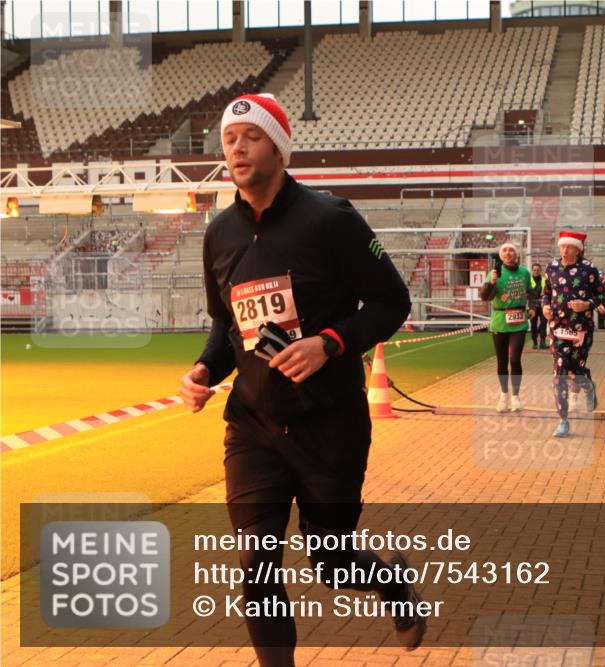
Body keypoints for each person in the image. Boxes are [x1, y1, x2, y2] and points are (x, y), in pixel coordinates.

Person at [178, 93, 424, 666]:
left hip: (329, 424)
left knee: (332, 563)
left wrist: (330, 343)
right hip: (254, 427)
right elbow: (227, 331)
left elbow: (392, 300)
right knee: (255, 566)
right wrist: (203, 369)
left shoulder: (330, 218)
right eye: (229, 138)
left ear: (280, 148)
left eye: (251, 136)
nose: (237, 147)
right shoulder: (219, 235)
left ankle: (391, 586)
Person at [541, 230, 605, 438]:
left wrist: (587, 304)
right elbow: (546, 294)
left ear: (578, 250)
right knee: (560, 372)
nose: (564, 250)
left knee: (575, 370)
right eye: (562, 246)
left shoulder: (588, 269)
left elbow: (602, 294)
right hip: (558, 327)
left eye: (569, 247)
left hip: (581, 328)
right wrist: (545, 307)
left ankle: (588, 385)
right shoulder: (552, 268)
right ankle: (563, 420)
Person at [479, 241, 533, 412]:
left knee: (515, 359)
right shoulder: (494, 273)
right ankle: (504, 396)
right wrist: (491, 283)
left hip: (518, 321)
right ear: (501, 255)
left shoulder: (524, 272)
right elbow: (485, 297)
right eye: (505, 251)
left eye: (511, 250)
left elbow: (532, 292)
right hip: (500, 320)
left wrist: (532, 307)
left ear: (516, 254)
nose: (508, 253)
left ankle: (516, 397)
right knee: (502, 361)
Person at [527, 262, 546, 350]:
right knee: (533, 325)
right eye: (534, 270)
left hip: (542, 304)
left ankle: (542, 342)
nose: (536, 271)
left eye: (538, 270)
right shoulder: (528, 281)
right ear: (532, 271)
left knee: (543, 324)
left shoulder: (544, 280)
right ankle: (534, 343)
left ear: (540, 271)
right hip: (532, 305)